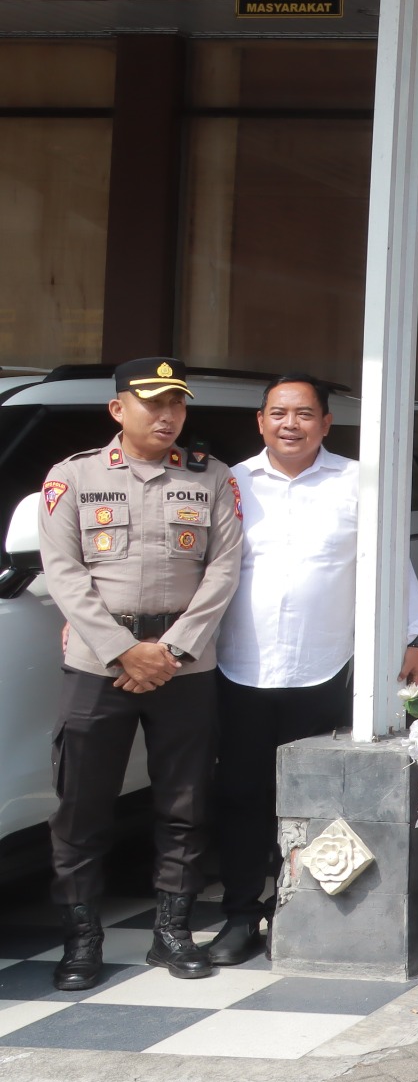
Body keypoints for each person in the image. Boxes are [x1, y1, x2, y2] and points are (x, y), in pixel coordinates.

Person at [208, 375, 418, 966]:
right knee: (239, 795)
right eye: (280, 413)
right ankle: (240, 913)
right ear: (260, 420)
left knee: (326, 795)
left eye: (305, 414)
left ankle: (313, 912)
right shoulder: (228, 483)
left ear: (326, 423)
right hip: (240, 668)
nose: (292, 424)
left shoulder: (354, 484)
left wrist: (415, 634)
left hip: (325, 668)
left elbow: (390, 563)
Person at [36, 357, 244, 988]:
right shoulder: (73, 478)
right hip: (98, 664)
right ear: (117, 410)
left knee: (183, 804)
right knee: (82, 807)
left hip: (184, 664)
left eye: (176, 403)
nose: (167, 415)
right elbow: (63, 572)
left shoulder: (211, 480)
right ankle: (82, 939)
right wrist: (124, 651)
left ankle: (172, 931)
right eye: (152, 403)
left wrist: (171, 651)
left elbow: (223, 571)